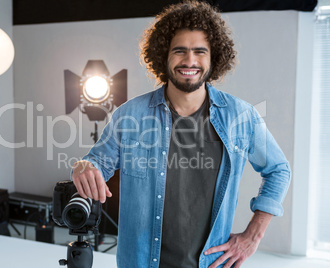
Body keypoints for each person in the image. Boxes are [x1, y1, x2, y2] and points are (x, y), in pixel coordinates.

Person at [71, 1, 291, 267]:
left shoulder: (241, 117)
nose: (189, 61)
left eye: (200, 51)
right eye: (179, 51)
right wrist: (83, 166)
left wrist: (253, 236)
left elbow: (279, 170)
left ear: (214, 57)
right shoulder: (129, 115)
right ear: (164, 55)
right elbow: (97, 163)